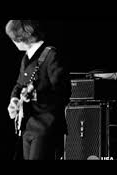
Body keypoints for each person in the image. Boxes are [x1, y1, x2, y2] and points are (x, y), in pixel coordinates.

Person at [5, 20, 71, 160]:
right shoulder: (26, 58)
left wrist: (36, 95)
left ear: (21, 39)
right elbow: (19, 85)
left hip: (46, 125)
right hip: (28, 125)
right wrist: (14, 100)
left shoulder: (51, 55)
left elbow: (63, 91)